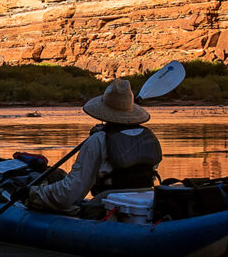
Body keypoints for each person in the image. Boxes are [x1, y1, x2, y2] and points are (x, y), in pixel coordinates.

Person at [27, 78, 162, 214]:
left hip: (105, 207)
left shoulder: (97, 140)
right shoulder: (149, 136)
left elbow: (70, 192)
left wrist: (35, 193)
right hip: (144, 207)